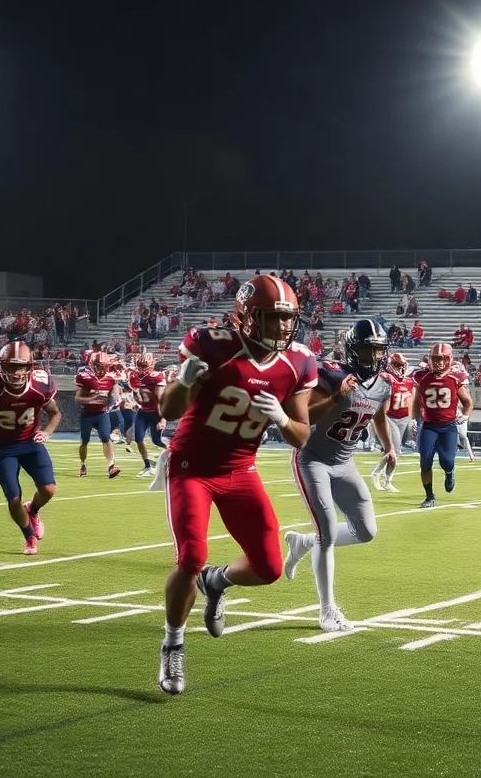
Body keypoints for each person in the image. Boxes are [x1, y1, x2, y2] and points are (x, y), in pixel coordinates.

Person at [156, 275, 318, 696]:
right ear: (247, 316)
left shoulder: (298, 362)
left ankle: (218, 581)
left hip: (241, 469)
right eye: (272, 317)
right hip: (191, 466)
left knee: (269, 568)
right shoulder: (211, 344)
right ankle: (173, 642)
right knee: (191, 556)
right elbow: (167, 408)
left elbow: (301, 434)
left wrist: (282, 420)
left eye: (288, 318)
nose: (283, 327)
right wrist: (185, 380)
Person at [283, 319, 394, 632]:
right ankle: (327, 611)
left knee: (367, 531)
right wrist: (335, 397)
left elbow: (379, 415)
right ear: (352, 348)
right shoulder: (331, 373)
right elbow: (302, 416)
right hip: (312, 458)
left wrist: (389, 447)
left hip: (345, 461)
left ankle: (302, 543)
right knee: (327, 532)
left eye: (377, 349)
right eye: (366, 349)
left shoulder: (384, 384)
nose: (372, 356)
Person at [0, 342, 62, 555]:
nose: (16, 372)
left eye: (20, 366)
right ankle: (29, 535)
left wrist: (46, 432)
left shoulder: (40, 385)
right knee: (13, 498)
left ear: (30, 366)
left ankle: (33, 510)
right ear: (1, 366)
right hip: (3, 448)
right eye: (11, 366)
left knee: (49, 490)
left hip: (30, 443)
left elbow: (55, 413)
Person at [411, 343, 473, 508]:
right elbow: (416, 401)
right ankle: (429, 496)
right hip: (429, 425)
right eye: (435, 359)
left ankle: (449, 472)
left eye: (441, 359)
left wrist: (465, 416)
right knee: (425, 461)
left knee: (447, 461)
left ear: (448, 359)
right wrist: (413, 419)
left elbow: (467, 402)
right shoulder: (421, 376)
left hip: (448, 426)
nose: (437, 362)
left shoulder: (455, 377)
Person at [371, 352, 414, 492]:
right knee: (394, 450)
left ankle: (383, 477)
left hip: (403, 417)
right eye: (397, 365)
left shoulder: (409, 380)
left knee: (396, 451)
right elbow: (384, 404)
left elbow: (412, 400)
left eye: (402, 365)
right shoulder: (386, 378)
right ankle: (382, 477)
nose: (400, 368)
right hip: (389, 417)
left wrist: (411, 418)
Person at [74, 352, 121, 479]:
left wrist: (114, 399)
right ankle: (83, 464)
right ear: (92, 365)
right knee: (84, 441)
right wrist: (92, 398)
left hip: (101, 413)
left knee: (106, 438)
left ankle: (111, 466)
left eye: (103, 366)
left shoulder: (111, 378)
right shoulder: (85, 378)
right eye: (99, 366)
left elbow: (114, 396)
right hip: (88, 414)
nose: (101, 369)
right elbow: (78, 399)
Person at [129, 353, 168, 477]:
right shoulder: (134, 375)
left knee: (157, 441)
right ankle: (147, 466)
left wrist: (163, 419)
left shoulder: (157, 376)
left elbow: (160, 399)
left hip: (156, 413)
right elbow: (136, 393)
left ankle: (175, 449)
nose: (141, 369)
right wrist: (137, 403)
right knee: (138, 439)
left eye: (143, 366)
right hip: (143, 411)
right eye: (139, 366)